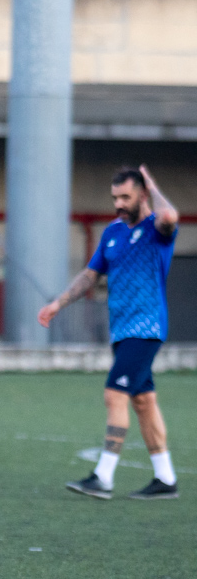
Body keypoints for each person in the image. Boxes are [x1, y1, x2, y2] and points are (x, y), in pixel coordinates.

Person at [38, 165, 179, 500]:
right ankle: (166, 479)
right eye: (115, 197)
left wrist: (154, 185)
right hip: (121, 329)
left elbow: (170, 216)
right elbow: (90, 275)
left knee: (114, 394)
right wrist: (59, 303)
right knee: (143, 401)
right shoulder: (112, 233)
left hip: (146, 328)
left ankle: (103, 476)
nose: (118, 203)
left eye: (126, 197)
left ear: (143, 195)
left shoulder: (155, 229)